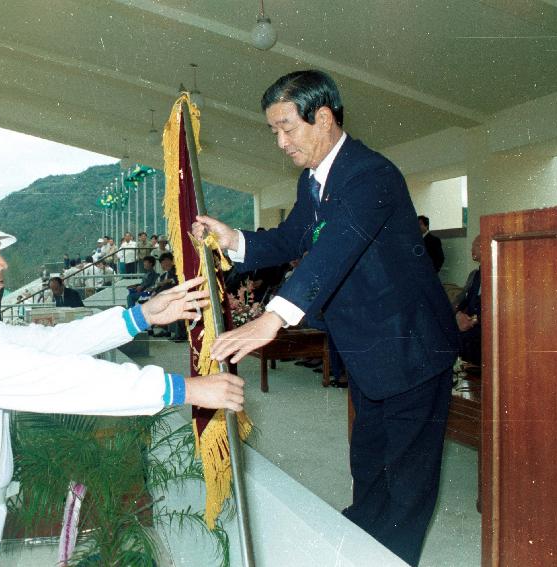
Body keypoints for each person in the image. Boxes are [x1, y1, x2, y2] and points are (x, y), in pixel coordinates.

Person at [0, 188, 244, 566]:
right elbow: (62, 379)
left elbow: (48, 344)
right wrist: (184, 389)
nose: (2, 265)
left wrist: (140, 316)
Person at [192, 70, 458, 566]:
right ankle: (360, 548)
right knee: (369, 464)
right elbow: (294, 238)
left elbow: (334, 250)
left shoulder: (370, 174)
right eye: (274, 131)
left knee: (406, 484)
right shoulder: (313, 181)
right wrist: (233, 240)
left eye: (287, 128)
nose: (280, 142)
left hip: (412, 349)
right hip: (369, 349)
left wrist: (271, 319)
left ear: (325, 118)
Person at [454, 235, 482, 365]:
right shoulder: (476, 274)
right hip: (469, 321)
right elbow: (467, 299)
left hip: (482, 324)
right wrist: (457, 313)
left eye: (475, 246)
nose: (472, 250)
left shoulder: (496, 273)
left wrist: (473, 320)